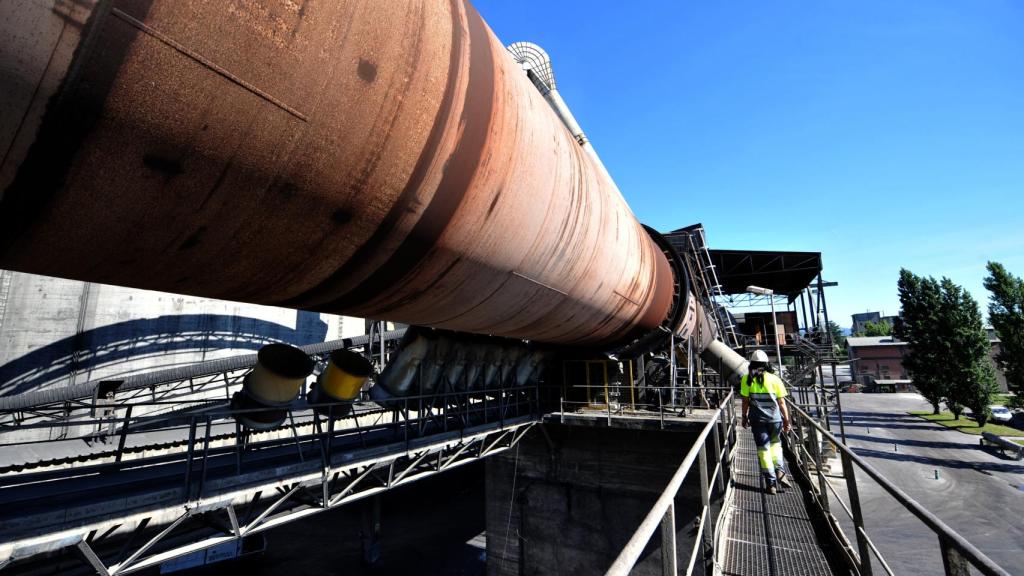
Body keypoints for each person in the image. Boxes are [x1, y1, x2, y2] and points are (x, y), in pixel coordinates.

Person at [740, 350, 792, 494]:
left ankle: (771, 483)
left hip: (757, 421)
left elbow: (745, 401)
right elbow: (781, 402)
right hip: (775, 420)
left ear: (752, 364)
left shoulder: (747, 379)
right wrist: (787, 420)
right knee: (776, 445)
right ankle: (780, 471)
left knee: (763, 450)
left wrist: (744, 417)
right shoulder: (775, 379)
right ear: (766, 364)